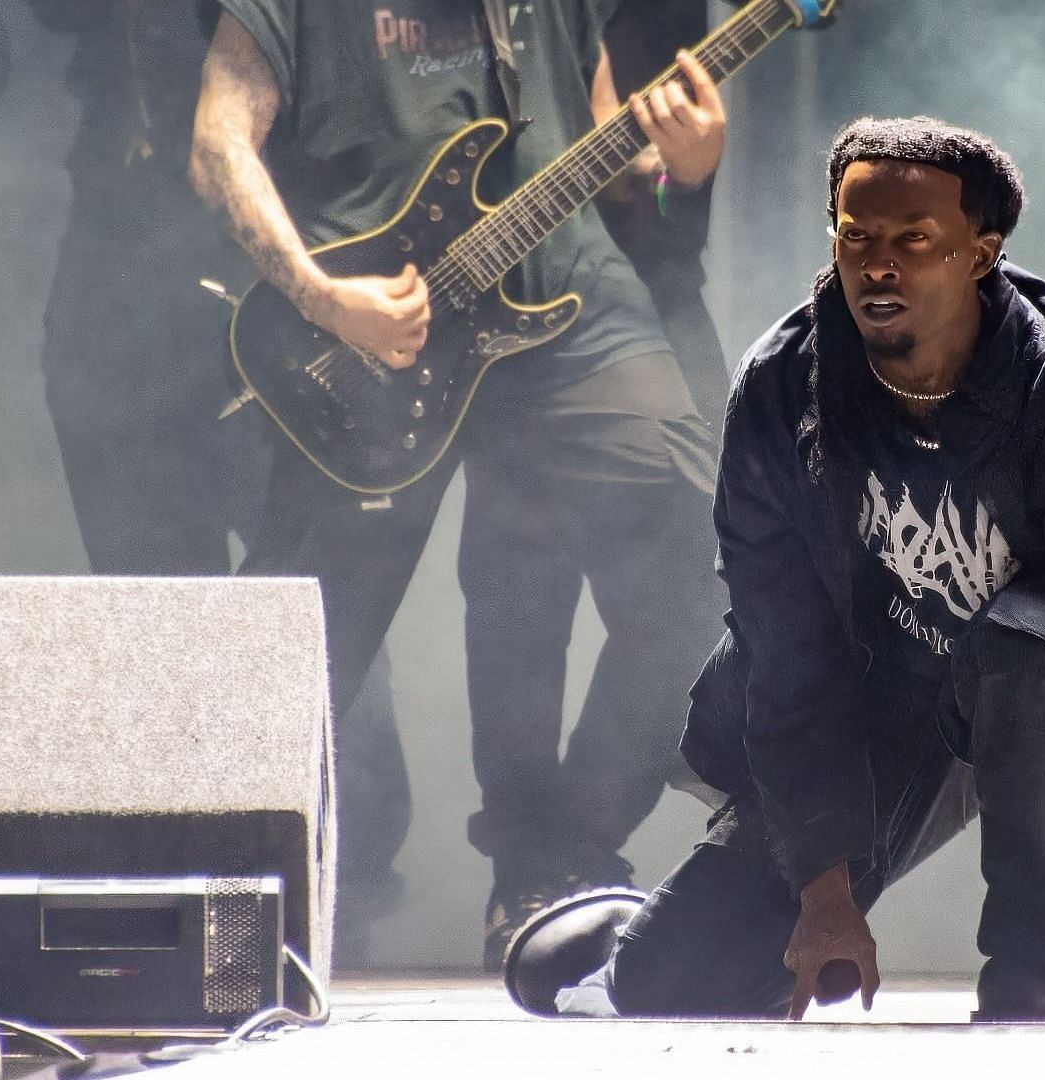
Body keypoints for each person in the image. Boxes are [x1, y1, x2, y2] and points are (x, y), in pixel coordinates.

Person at [504, 117, 1045, 1023]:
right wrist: (823, 896)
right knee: (675, 986)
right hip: (895, 694)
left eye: (915, 241)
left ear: (981, 254)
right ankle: (639, 934)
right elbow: (784, 656)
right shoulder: (785, 392)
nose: (879, 265)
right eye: (856, 237)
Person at [188, 0, 728, 969]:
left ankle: (557, 852)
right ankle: (216, 919)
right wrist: (322, 296)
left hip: (571, 301)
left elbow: (602, 136)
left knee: (709, 572)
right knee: (302, 636)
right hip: (371, 330)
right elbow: (218, 144)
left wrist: (675, 171)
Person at [25, 0, 406, 958]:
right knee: (156, 608)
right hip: (121, 278)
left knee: (313, 594)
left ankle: (337, 892)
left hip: (275, 268)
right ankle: (189, 905)